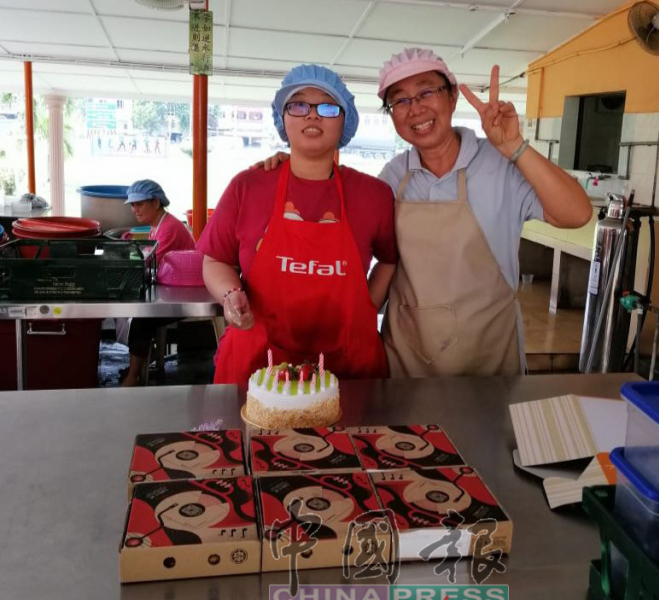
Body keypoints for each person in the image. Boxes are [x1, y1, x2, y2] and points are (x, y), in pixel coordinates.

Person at [258, 48, 592, 378]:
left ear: (452, 98)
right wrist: (298, 165)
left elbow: (576, 214)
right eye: (400, 100)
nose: (415, 109)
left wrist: (514, 147)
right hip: (407, 364)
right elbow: (334, 219)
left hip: (490, 367)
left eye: (426, 92)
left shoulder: (501, 166)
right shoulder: (391, 178)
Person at [197, 64, 397, 384]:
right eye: (299, 104)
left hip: (348, 369)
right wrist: (230, 294)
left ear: (345, 121)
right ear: (282, 118)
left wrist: (367, 306)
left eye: (328, 107)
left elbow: (389, 259)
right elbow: (216, 259)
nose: (312, 115)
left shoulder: (374, 195)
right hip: (256, 366)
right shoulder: (248, 186)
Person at [120, 180, 195, 387]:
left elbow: (146, 263)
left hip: (185, 295)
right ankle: (144, 358)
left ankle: (133, 376)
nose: (135, 210)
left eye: (140, 204)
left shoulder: (169, 228)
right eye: (133, 205)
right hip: (172, 289)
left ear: (156, 202)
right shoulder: (158, 226)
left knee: (141, 319)